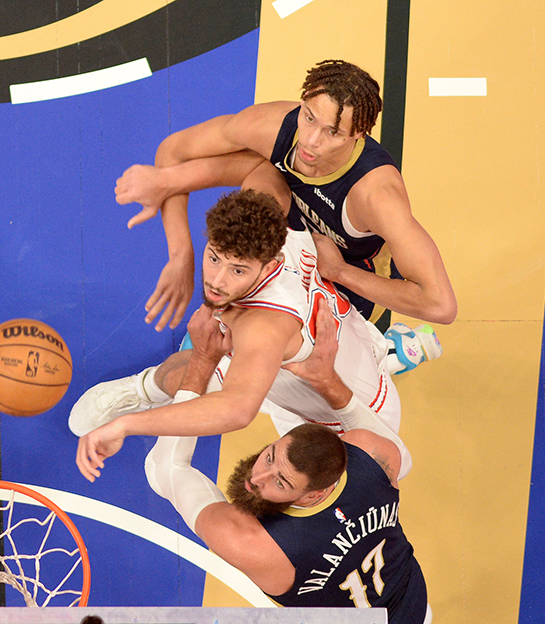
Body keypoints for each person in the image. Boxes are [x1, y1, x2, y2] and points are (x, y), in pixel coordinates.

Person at [114, 59, 456, 357]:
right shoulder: (271, 124)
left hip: (347, 278)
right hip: (292, 238)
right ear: (302, 102)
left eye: (333, 132)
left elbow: (440, 304)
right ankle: (236, 322)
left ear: (358, 134)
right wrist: (181, 257)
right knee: (261, 175)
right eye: (309, 117)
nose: (311, 140)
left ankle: (389, 350)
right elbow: (173, 151)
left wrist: (340, 271)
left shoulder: (376, 194)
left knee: (286, 369)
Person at [72, 189, 409, 476]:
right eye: (214, 258)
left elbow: (237, 410)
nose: (217, 281)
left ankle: (397, 353)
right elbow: (257, 169)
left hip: (342, 425)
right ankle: (141, 390)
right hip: (329, 362)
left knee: (272, 485)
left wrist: (125, 426)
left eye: (237, 270)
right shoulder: (273, 232)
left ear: (270, 265)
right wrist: (181, 255)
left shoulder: (264, 325)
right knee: (182, 369)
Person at [141, 306, 429, 623]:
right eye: (270, 456)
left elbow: (162, 469)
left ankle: (387, 356)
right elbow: (388, 447)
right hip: (412, 601)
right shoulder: (376, 456)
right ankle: (389, 357)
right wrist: (325, 379)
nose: (257, 478)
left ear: (314, 494)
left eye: (281, 482)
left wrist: (202, 362)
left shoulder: (254, 544)